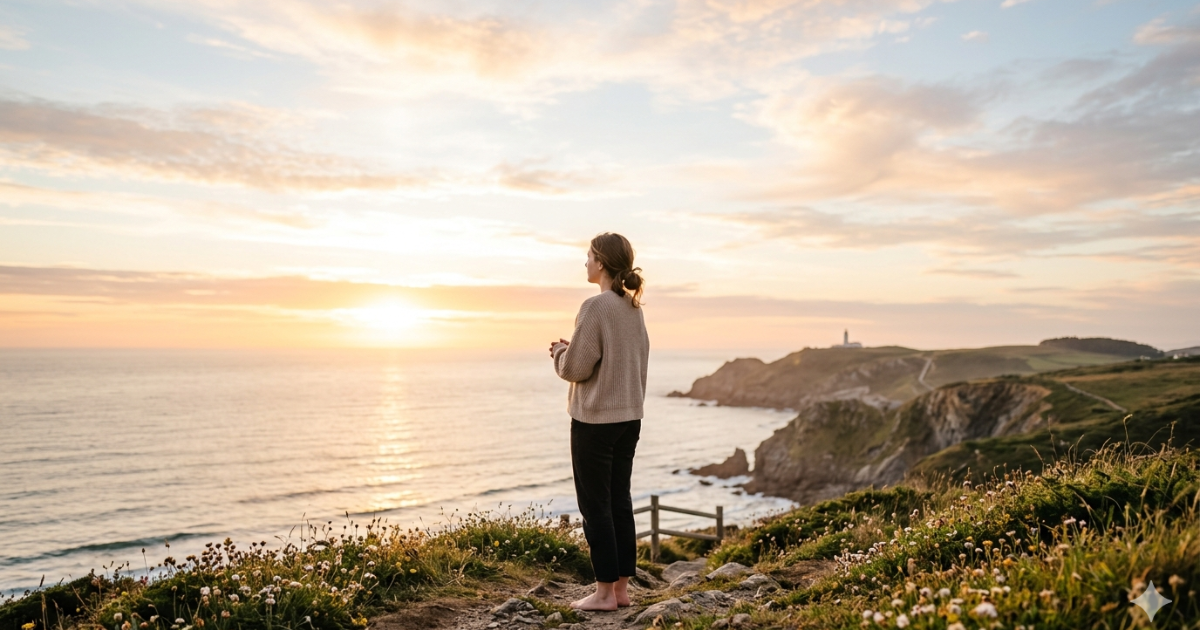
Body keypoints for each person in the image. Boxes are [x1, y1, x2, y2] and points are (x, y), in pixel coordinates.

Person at [548, 232, 649, 611]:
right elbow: (624, 361)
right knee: (619, 500)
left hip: (595, 422)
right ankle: (621, 589)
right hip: (629, 418)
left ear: (602, 263)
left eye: (588, 256)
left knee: (595, 506)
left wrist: (560, 352)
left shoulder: (595, 307)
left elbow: (575, 368)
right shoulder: (633, 309)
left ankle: (604, 593)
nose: (585, 262)